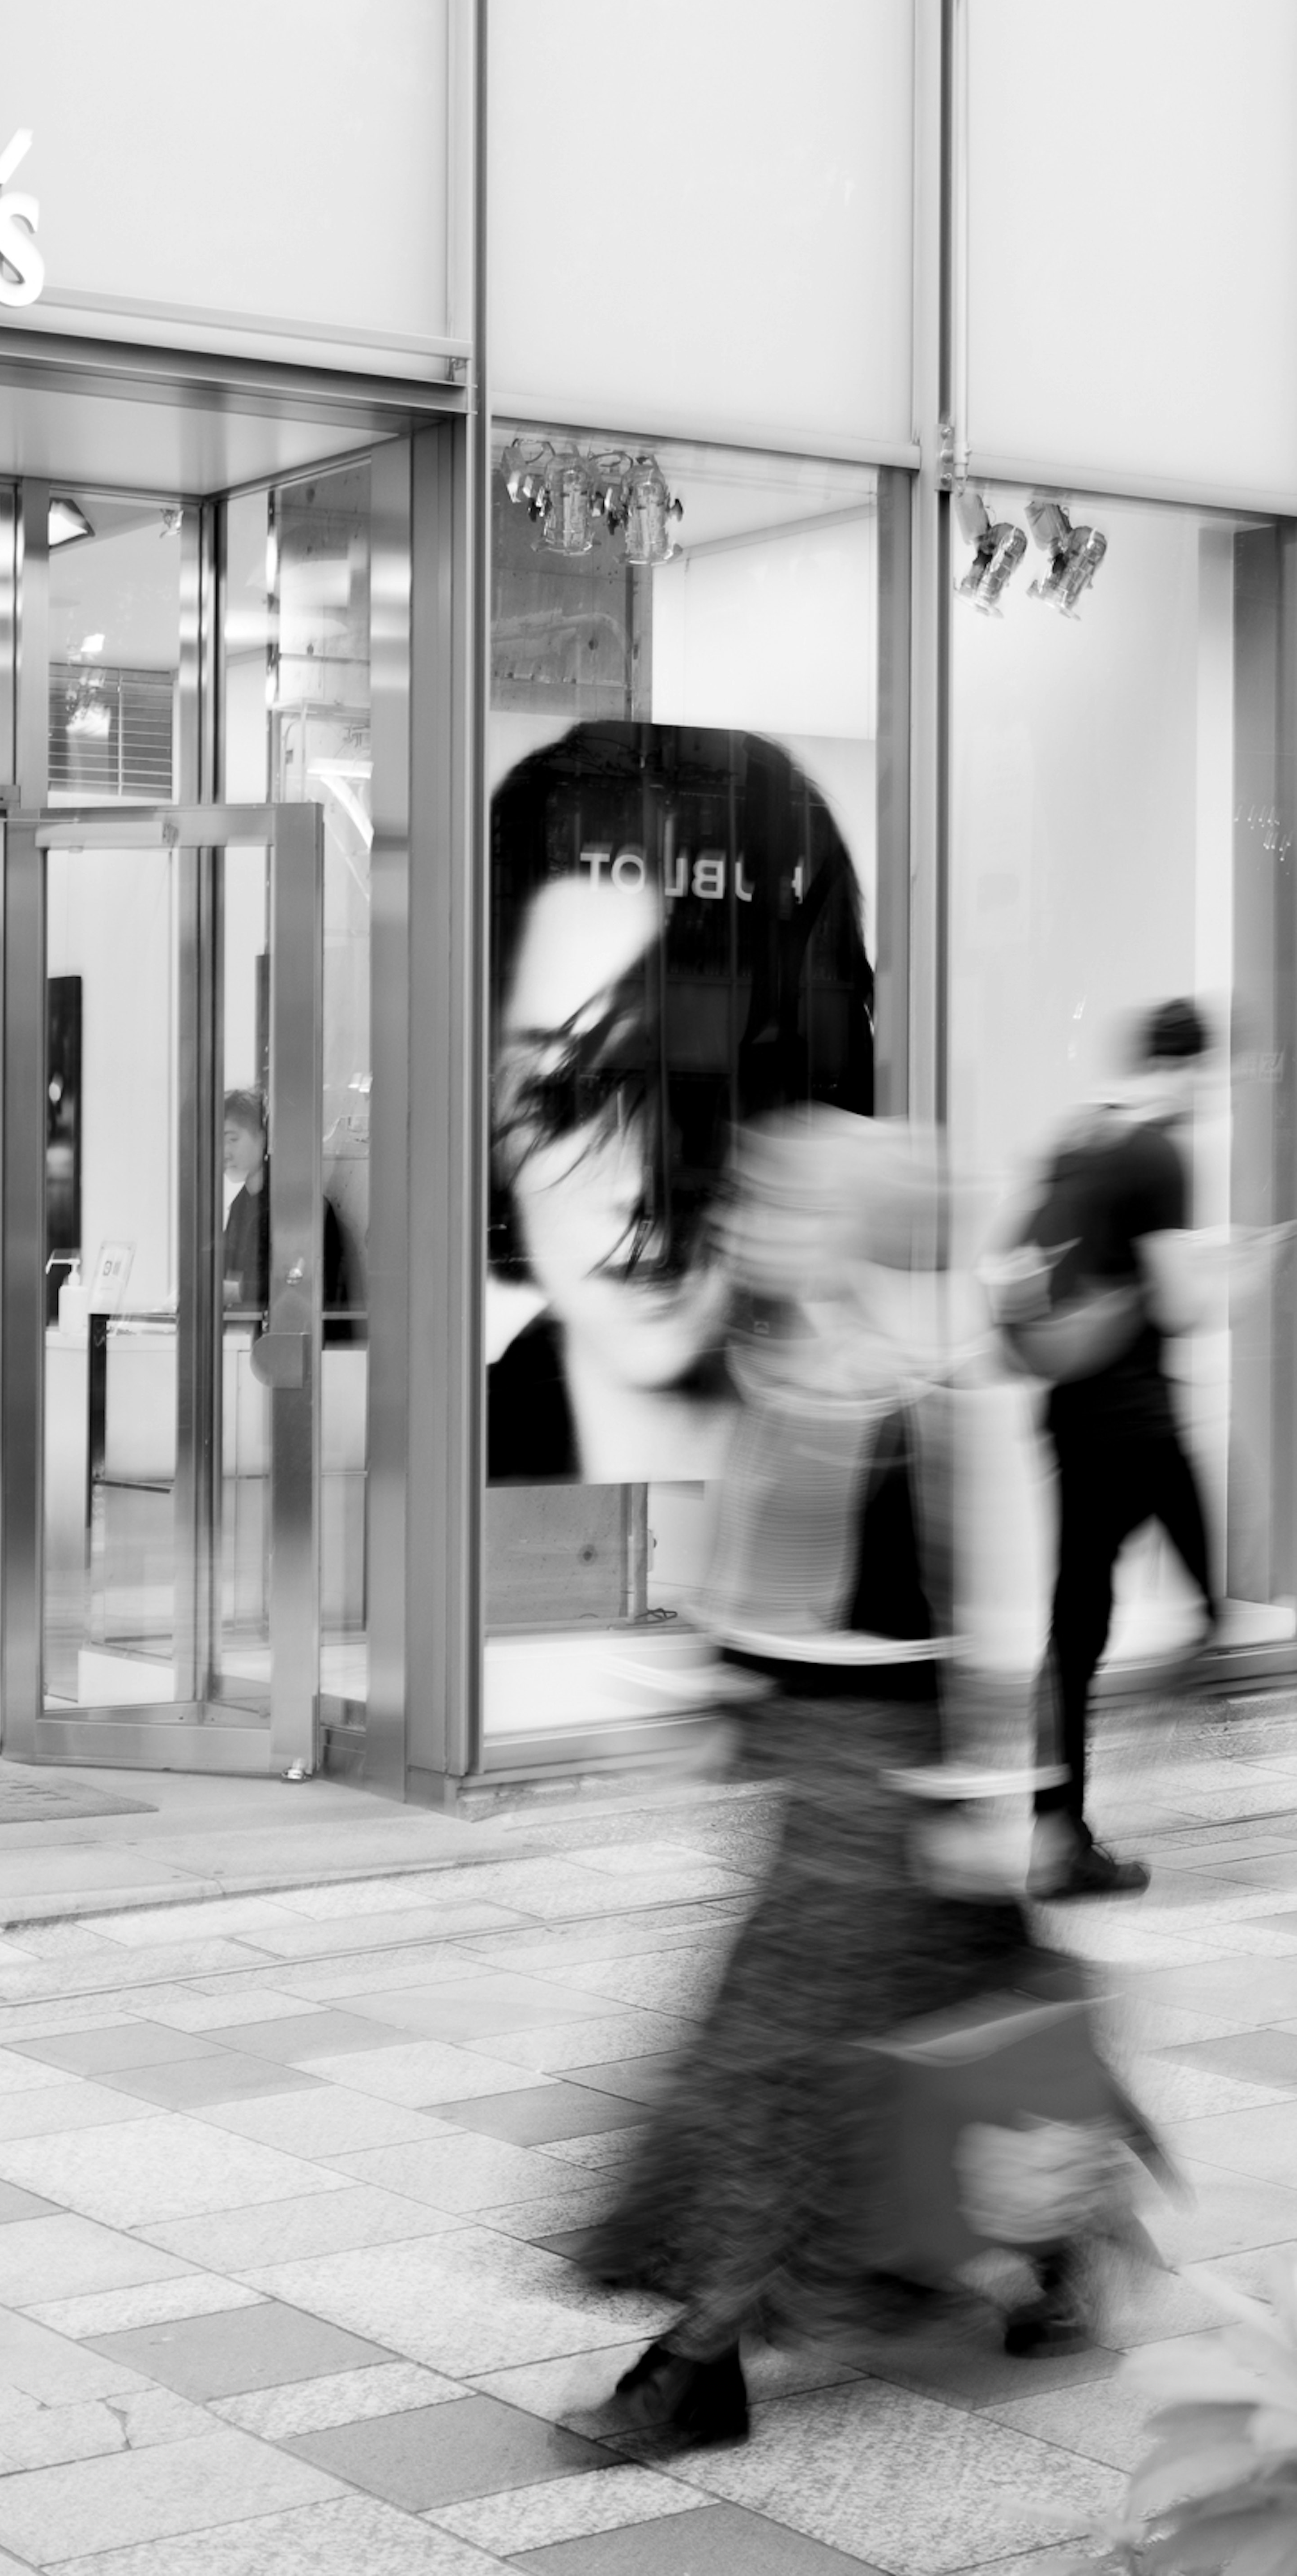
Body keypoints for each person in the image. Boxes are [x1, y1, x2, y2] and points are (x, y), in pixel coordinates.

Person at [582, 1115, 1094, 2449]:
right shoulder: (780, 1368)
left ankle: (697, 2360)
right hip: (808, 1774)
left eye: (784, 1198)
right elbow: (749, 1582)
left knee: (775, 2066)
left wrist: (990, 1803)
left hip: (891, 1785)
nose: (749, 1215)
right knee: (956, 2031)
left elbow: (993, 1613)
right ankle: (1049, 2247)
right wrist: (709, 1691)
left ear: (855, 1222)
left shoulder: (934, 1387)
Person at [486, 721, 874, 1484]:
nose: (643, 1188)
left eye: (711, 1088)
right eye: (565, 1097)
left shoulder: (880, 1452)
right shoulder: (463, 1454)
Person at [1017, 1001, 1222, 1901]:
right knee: (1209, 1605)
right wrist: (1243, 1272)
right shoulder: (1161, 1153)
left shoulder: (1082, 1137)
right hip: (1137, 1421)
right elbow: (1179, 1304)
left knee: (1071, 1633)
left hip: (1069, 1413)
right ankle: (1167, 1712)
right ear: (1187, 1068)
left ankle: (1054, 1840)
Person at [220, 1088, 352, 1332]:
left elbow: (295, 1281)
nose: (224, 1152)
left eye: (232, 1139)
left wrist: (233, 1290)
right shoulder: (242, 1204)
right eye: (218, 1141)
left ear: (263, 1137)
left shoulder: (293, 1201)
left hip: (308, 1344)